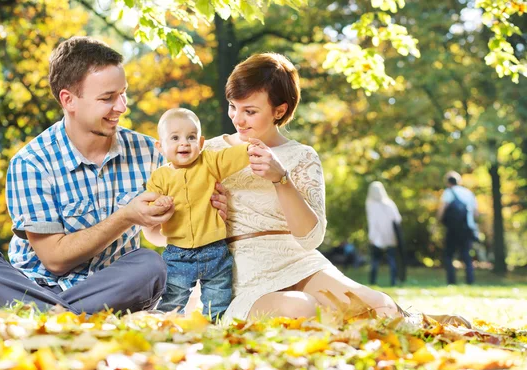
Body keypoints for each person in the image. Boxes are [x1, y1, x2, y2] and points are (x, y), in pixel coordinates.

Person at [0, 37, 228, 315]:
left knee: (150, 265)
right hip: (32, 284)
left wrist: (204, 212)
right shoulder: (31, 163)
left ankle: (41, 314)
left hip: (109, 285)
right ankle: (61, 312)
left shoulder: (149, 153)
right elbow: (54, 260)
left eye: (123, 93)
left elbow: (163, 233)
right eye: (108, 98)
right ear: (69, 100)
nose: (122, 106)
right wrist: (126, 216)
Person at [203, 52, 470, 328]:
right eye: (233, 106)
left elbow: (310, 238)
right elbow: (172, 233)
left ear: (279, 110)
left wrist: (281, 178)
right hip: (239, 271)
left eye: (250, 111)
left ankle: (409, 319)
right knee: (303, 309)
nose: (238, 118)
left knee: (380, 308)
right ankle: (345, 321)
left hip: (297, 261)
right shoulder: (209, 151)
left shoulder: (301, 156)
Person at [146, 108, 255, 320]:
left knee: (218, 294)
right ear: (160, 146)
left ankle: (212, 325)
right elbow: (150, 206)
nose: (184, 143)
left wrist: (250, 149)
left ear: (201, 143)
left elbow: (231, 157)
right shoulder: (160, 177)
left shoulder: (210, 163)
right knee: (173, 296)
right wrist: (159, 203)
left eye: (191, 137)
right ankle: (168, 325)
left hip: (215, 250)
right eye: (175, 138)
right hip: (178, 253)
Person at [437, 171, 479, 285]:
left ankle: (451, 281)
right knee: (466, 254)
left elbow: (442, 209)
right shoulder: (468, 193)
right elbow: (476, 213)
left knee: (449, 255)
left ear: (447, 182)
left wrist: (438, 221)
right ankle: (470, 280)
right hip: (467, 228)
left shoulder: (448, 192)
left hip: (453, 229)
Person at [366, 181, 402, 286]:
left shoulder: (370, 204)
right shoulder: (389, 203)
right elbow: (398, 219)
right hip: (390, 236)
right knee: (391, 259)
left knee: (375, 259)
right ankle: (393, 281)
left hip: (376, 236)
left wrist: (371, 236)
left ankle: (372, 281)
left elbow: (371, 222)